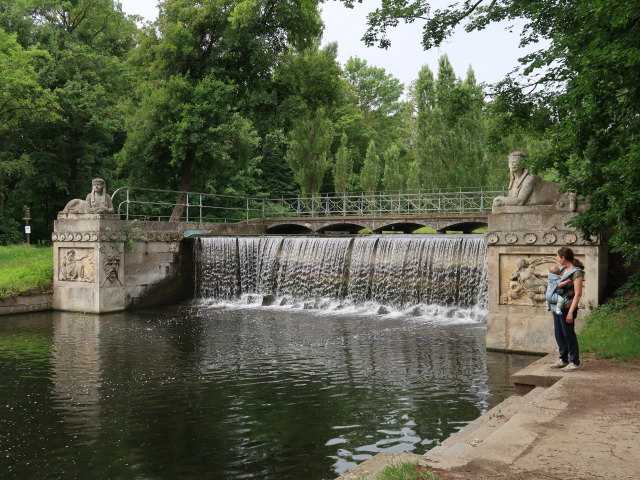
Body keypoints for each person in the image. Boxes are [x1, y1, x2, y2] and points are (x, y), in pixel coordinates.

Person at [550, 247, 584, 371]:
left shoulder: (577, 273)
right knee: (559, 333)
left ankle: (574, 361)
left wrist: (570, 312)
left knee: (568, 334)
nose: (557, 259)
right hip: (558, 307)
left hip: (568, 308)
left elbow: (578, 294)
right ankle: (563, 359)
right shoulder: (563, 270)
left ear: (563, 258)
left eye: (558, 257)